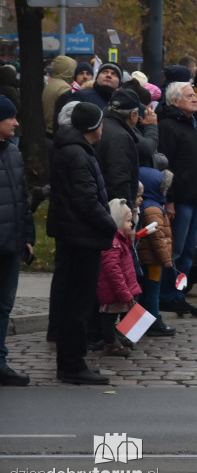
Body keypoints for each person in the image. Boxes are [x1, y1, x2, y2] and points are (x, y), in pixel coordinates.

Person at [48, 102, 118, 385]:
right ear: (93, 127)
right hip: (81, 237)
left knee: (73, 302)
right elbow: (86, 199)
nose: (103, 128)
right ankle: (72, 364)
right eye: (101, 123)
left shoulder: (73, 149)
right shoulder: (77, 154)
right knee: (77, 304)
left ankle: (71, 362)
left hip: (75, 235)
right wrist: (110, 223)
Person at [157, 82, 197, 317]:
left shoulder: (192, 124)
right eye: (189, 96)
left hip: (195, 198)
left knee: (188, 252)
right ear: (175, 101)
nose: (194, 99)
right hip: (180, 200)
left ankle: (179, 294)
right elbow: (166, 165)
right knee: (175, 251)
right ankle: (167, 295)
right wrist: (168, 199)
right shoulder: (169, 127)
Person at [0, 95, 33, 385]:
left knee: (4, 305)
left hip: (10, 244)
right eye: (10, 117)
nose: (16, 122)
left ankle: (0, 361)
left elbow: (21, 197)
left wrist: (28, 236)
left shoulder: (12, 152)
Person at [96, 198, 141, 357]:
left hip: (121, 288)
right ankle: (110, 342)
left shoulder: (121, 241)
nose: (131, 224)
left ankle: (116, 337)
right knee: (109, 318)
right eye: (128, 221)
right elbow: (113, 270)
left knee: (117, 315)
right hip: (114, 290)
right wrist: (123, 291)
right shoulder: (113, 243)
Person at [136, 167, 176, 337]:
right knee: (153, 290)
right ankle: (154, 322)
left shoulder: (146, 204)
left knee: (145, 291)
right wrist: (166, 259)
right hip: (153, 259)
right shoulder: (153, 208)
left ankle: (138, 327)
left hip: (146, 257)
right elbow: (157, 238)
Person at [43, 55, 76, 137]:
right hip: (55, 132)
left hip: (47, 130)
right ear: (68, 69)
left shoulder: (52, 83)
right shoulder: (64, 87)